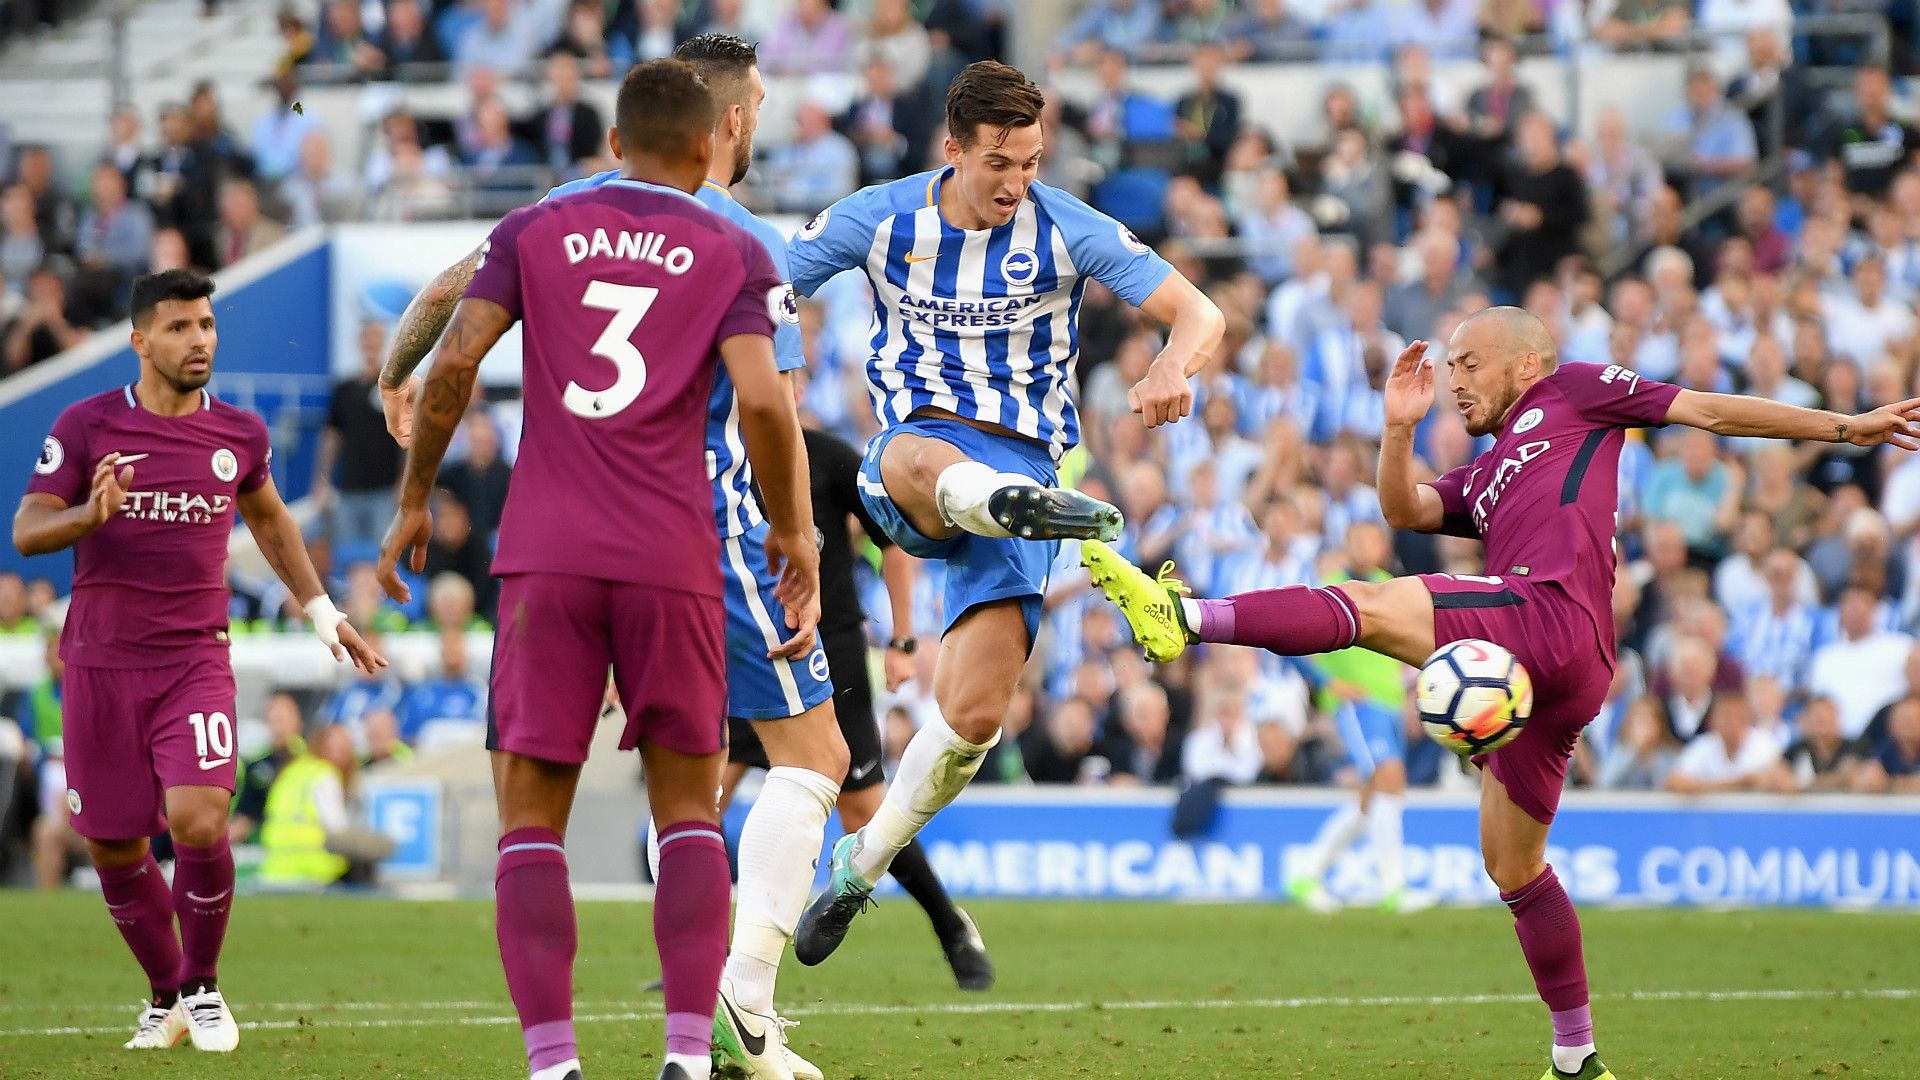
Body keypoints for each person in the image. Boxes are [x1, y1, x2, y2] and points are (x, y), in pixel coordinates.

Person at [1080, 306, 1920, 1080]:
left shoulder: (1578, 391)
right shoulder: (1487, 477)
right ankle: (1576, 1056)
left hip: (1549, 615)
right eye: (1449, 368)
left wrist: (1847, 427)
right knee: (1513, 867)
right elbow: (1405, 507)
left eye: (1469, 363)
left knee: (1370, 603)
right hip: (1556, 676)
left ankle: (1184, 615)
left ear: (1529, 364)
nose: (1455, 380)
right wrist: (1398, 431)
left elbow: (1708, 410)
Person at [377, 36, 845, 1080]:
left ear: (615, 137)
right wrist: (795, 532)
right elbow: (772, 405)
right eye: (755, 106)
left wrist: (402, 434)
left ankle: (554, 1064)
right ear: (719, 128)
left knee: (530, 813)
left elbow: (447, 334)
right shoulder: (739, 244)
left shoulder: (541, 219)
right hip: (687, 542)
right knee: (729, 790)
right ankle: (711, 1034)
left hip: (544, 552)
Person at [785, 60, 1224, 966]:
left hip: (1025, 458)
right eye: (999, 163)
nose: (1017, 182)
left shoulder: (1065, 224)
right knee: (922, 460)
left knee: (975, 718)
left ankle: (862, 867)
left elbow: (1197, 311)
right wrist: (773, 363)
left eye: (1030, 161)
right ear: (953, 149)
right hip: (917, 458)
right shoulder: (880, 217)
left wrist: (1174, 363)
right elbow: (765, 283)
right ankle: (1006, 507)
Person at [11, 268, 384, 1053]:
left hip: (194, 660)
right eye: (180, 328)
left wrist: (322, 612)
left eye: (207, 325)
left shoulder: (239, 435)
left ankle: (203, 989)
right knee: (114, 844)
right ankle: (165, 996)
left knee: (200, 816)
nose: (200, 341)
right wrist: (90, 513)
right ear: (140, 341)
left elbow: (274, 522)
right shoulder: (87, 426)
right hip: (100, 663)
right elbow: (28, 530)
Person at [724, 418, 995, 991]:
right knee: (698, 804)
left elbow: (892, 539)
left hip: (830, 650)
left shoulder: (825, 456)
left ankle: (951, 927)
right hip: (744, 649)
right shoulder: (716, 458)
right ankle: (704, 963)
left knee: (864, 814)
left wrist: (901, 639)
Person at [1283, 521, 1429, 914]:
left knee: (1371, 796)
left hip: (1388, 702)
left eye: (1374, 539)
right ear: (1347, 546)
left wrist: (1408, 690)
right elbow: (1290, 639)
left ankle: (1307, 873)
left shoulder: (1390, 585)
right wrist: (1326, 683)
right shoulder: (1330, 588)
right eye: (1359, 539)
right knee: (1389, 778)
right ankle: (1393, 888)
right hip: (1357, 704)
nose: (1367, 546)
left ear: (1383, 547)